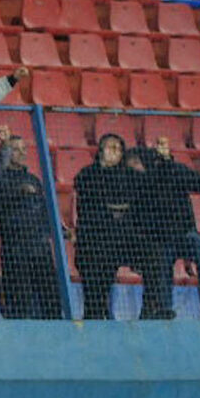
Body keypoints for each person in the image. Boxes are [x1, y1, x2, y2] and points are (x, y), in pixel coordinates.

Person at [137, 138, 200, 319]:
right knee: (163, 265)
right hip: (161, 238)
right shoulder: (145, 179)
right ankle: (164, 310)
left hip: (186, 233)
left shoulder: (178, 171)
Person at [0, 129, 65, 321]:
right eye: (16, 149)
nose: (22, 153)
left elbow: (45, 211)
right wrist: (17, 192)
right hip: (15, 248)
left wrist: (60, 230)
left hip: (39, 247)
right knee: (20, 299)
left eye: (23, 149)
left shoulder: (34, 180)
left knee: (51, 297)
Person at [73, 133, 152, 320]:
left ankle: (150, 312)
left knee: (156, 259)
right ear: (100, 150)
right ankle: (96, 319)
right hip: (92, 243)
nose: (115, 153)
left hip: (121, 240)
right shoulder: (87, 175)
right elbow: (92, 206)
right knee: (94, 292)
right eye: (111, 148)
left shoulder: (129, 175)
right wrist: (117, 208)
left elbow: (141, 197)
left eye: (118, 149)